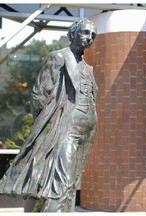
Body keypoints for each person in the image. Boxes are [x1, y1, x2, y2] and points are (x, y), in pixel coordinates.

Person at [0, 19, 98, 212]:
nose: (89, 38)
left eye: (93, 36)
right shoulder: (58, 57)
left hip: (87, 130)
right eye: (85, 33)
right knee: (59, 183)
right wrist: (46, 126)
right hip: (64, 128)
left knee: (71, 184)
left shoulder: (88, 68)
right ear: (73, 33)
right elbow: (38, 94)